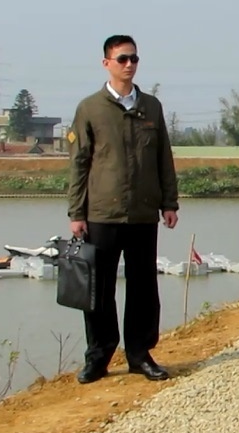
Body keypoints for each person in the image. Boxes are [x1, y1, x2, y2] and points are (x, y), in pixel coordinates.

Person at [67, 34, 179, 384]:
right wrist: (76, 213)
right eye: (122, 59)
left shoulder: (151, 106)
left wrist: (169, 202)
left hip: (143, 213)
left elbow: (164, 158)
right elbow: (79, 163)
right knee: (98, 290)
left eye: (134, 59)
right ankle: (98, 357)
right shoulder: (90, 108)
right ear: (107, 64)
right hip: (102, 213)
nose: (129, 65)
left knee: (144, 287)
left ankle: (140, 354)